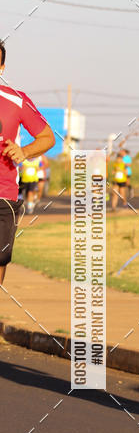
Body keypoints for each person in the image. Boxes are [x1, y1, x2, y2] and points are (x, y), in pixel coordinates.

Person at [0, 37, 55, 283]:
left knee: (0, 261)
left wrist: (24, 152)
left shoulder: (17, 101)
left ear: (1, 68)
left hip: (4, 195)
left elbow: (47, 137)